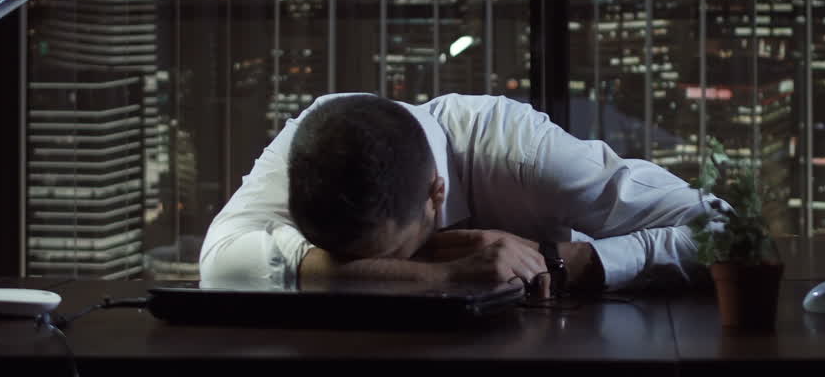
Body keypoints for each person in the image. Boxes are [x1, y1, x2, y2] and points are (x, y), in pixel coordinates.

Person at [199, 92, 725, 294]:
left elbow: (724, 230)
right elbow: (218, 264)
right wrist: (441, 272)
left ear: (436, 193)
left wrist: (572, 260)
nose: (380, 271)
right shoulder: (312, 146)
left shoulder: (521, 153)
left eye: (395, 252)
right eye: (341, 260)